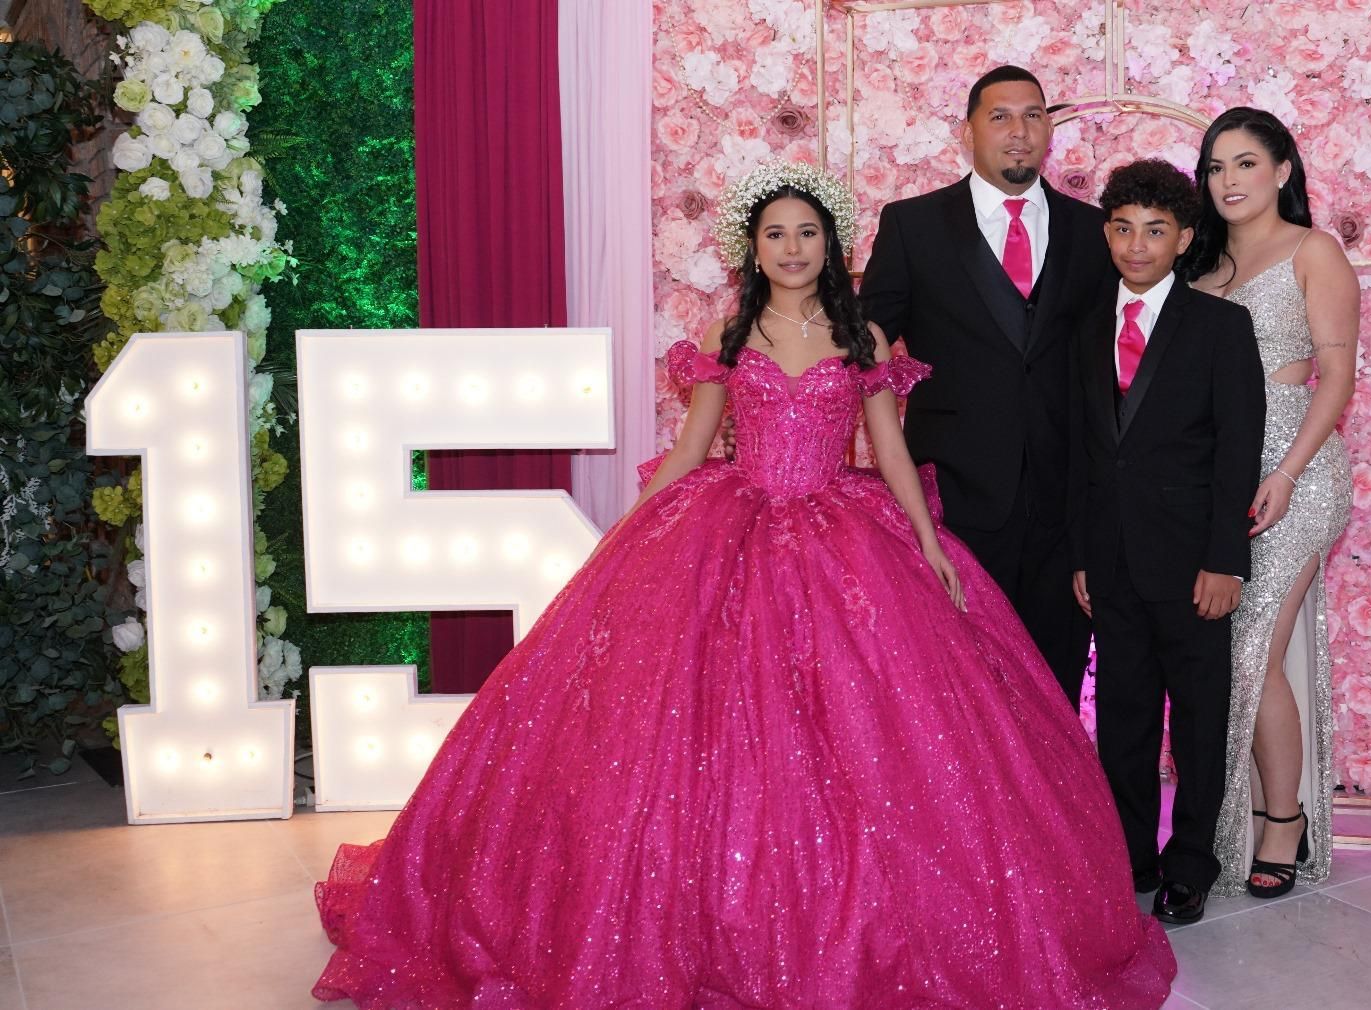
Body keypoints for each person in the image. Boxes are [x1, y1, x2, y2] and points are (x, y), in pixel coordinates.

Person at [311, 160, 1175, 1009]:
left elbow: (890, 450)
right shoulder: (732, 337)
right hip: (732, 528)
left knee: (878, 732)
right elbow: (693, 450)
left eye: (807, 233)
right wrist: (629, 529)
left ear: (830, 246)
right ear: (752, 251)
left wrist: (927, 540)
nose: (793, 248)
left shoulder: (864, 338)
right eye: (776, 235)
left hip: (843, 535)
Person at [859, 65, 1115, 708]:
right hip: (956, 497)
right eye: (1000, 116)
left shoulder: (1095, 232)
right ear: (968, 131)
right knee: (960, 690)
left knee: (1054, 687)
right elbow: (863, 344)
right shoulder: (912, 226)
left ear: (1049, 130)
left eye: (1033, 115)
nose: (1019, 131)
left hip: (1064, 502)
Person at [1070, 160, 1266, 925]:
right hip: (1113, 560)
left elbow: (1236, 451)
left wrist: (1226, 558)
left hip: (1193, 565)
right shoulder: (1085, 326)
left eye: (1155, 230)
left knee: (1197, 720)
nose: (1136, 244)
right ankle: (1130, 854)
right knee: (1121, 717)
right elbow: (1086, 455)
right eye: (1122, 228)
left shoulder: (1221, 326)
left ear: (1184, 238)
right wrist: (1085, 551)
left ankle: (1191, 864)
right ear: (1106, 233)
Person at [1184, 107, 1357, 899]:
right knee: (1225, 654)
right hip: (1215, 480)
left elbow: (1337, 377)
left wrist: (1287, 472)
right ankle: (1241, 813)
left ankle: (1281, 820)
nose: (1229, 182)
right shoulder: (1197, 266)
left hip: (1299, 473)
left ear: (1283, 170)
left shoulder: (1312, 251)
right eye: (1217, 168)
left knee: (1253, 646)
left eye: (1246, 164)